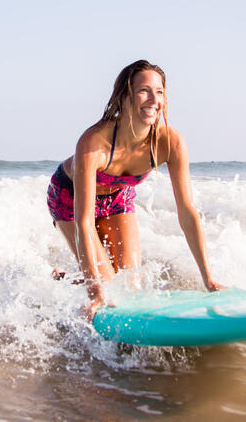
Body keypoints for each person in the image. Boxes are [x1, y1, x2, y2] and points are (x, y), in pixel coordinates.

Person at [46, 60, 223, 319]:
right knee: (106, 289)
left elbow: (187, 212)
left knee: (130, 289)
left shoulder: (170, 142)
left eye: (159, 91)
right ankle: (71, 282)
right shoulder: (94, 141)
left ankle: (68, 277)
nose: (153, 99)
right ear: (125, 95)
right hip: (70, 197)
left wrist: (209, 280)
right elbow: (84, 222)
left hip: (118, 196)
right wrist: (96, 294)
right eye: (144, 90)